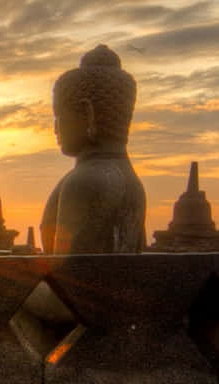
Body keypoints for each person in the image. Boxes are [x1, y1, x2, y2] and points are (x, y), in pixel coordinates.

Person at [40, 44, 146, 254]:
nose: (55, 129)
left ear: (86, 114)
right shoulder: (131, 181)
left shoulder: (86, 182)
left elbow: (69, 274)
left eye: (59, 118)